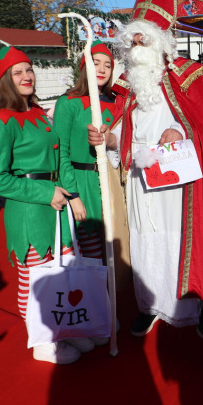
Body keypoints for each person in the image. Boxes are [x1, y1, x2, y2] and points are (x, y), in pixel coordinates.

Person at [87, 0, 203, 339]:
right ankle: (150, 306)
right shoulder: (131, 87)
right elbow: (122, 130)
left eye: (143, 41)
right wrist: (109, 140)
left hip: (180, 184)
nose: (136, 49)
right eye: (132, 42)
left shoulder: (193, 77)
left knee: (183, 240)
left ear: (161, 41)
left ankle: (198, 306)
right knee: (145, 239)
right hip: (140, 182)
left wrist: (177, 130)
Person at [0, 46, 92, 364]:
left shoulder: (37, 114)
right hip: (30, 210)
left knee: (62, 273)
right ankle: (42, 340)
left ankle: (64, 328)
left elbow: (58, 159)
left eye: (28, 69)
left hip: (56, 206)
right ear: (4, 80)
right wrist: (46, 193)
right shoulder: (3, 121)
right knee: (34, 278)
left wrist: (72, 195)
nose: (26, 76)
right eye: (17, 72)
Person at [52, 41, 116, 260]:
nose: (101, 69)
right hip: (81, 183)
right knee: (91, 256)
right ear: (83, 67)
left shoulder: (117, 103)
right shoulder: (68, 102)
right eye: (95, 63)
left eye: (107, 65)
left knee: (113, 255)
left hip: (111, 183)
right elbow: (60, 151)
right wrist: (73, 195)